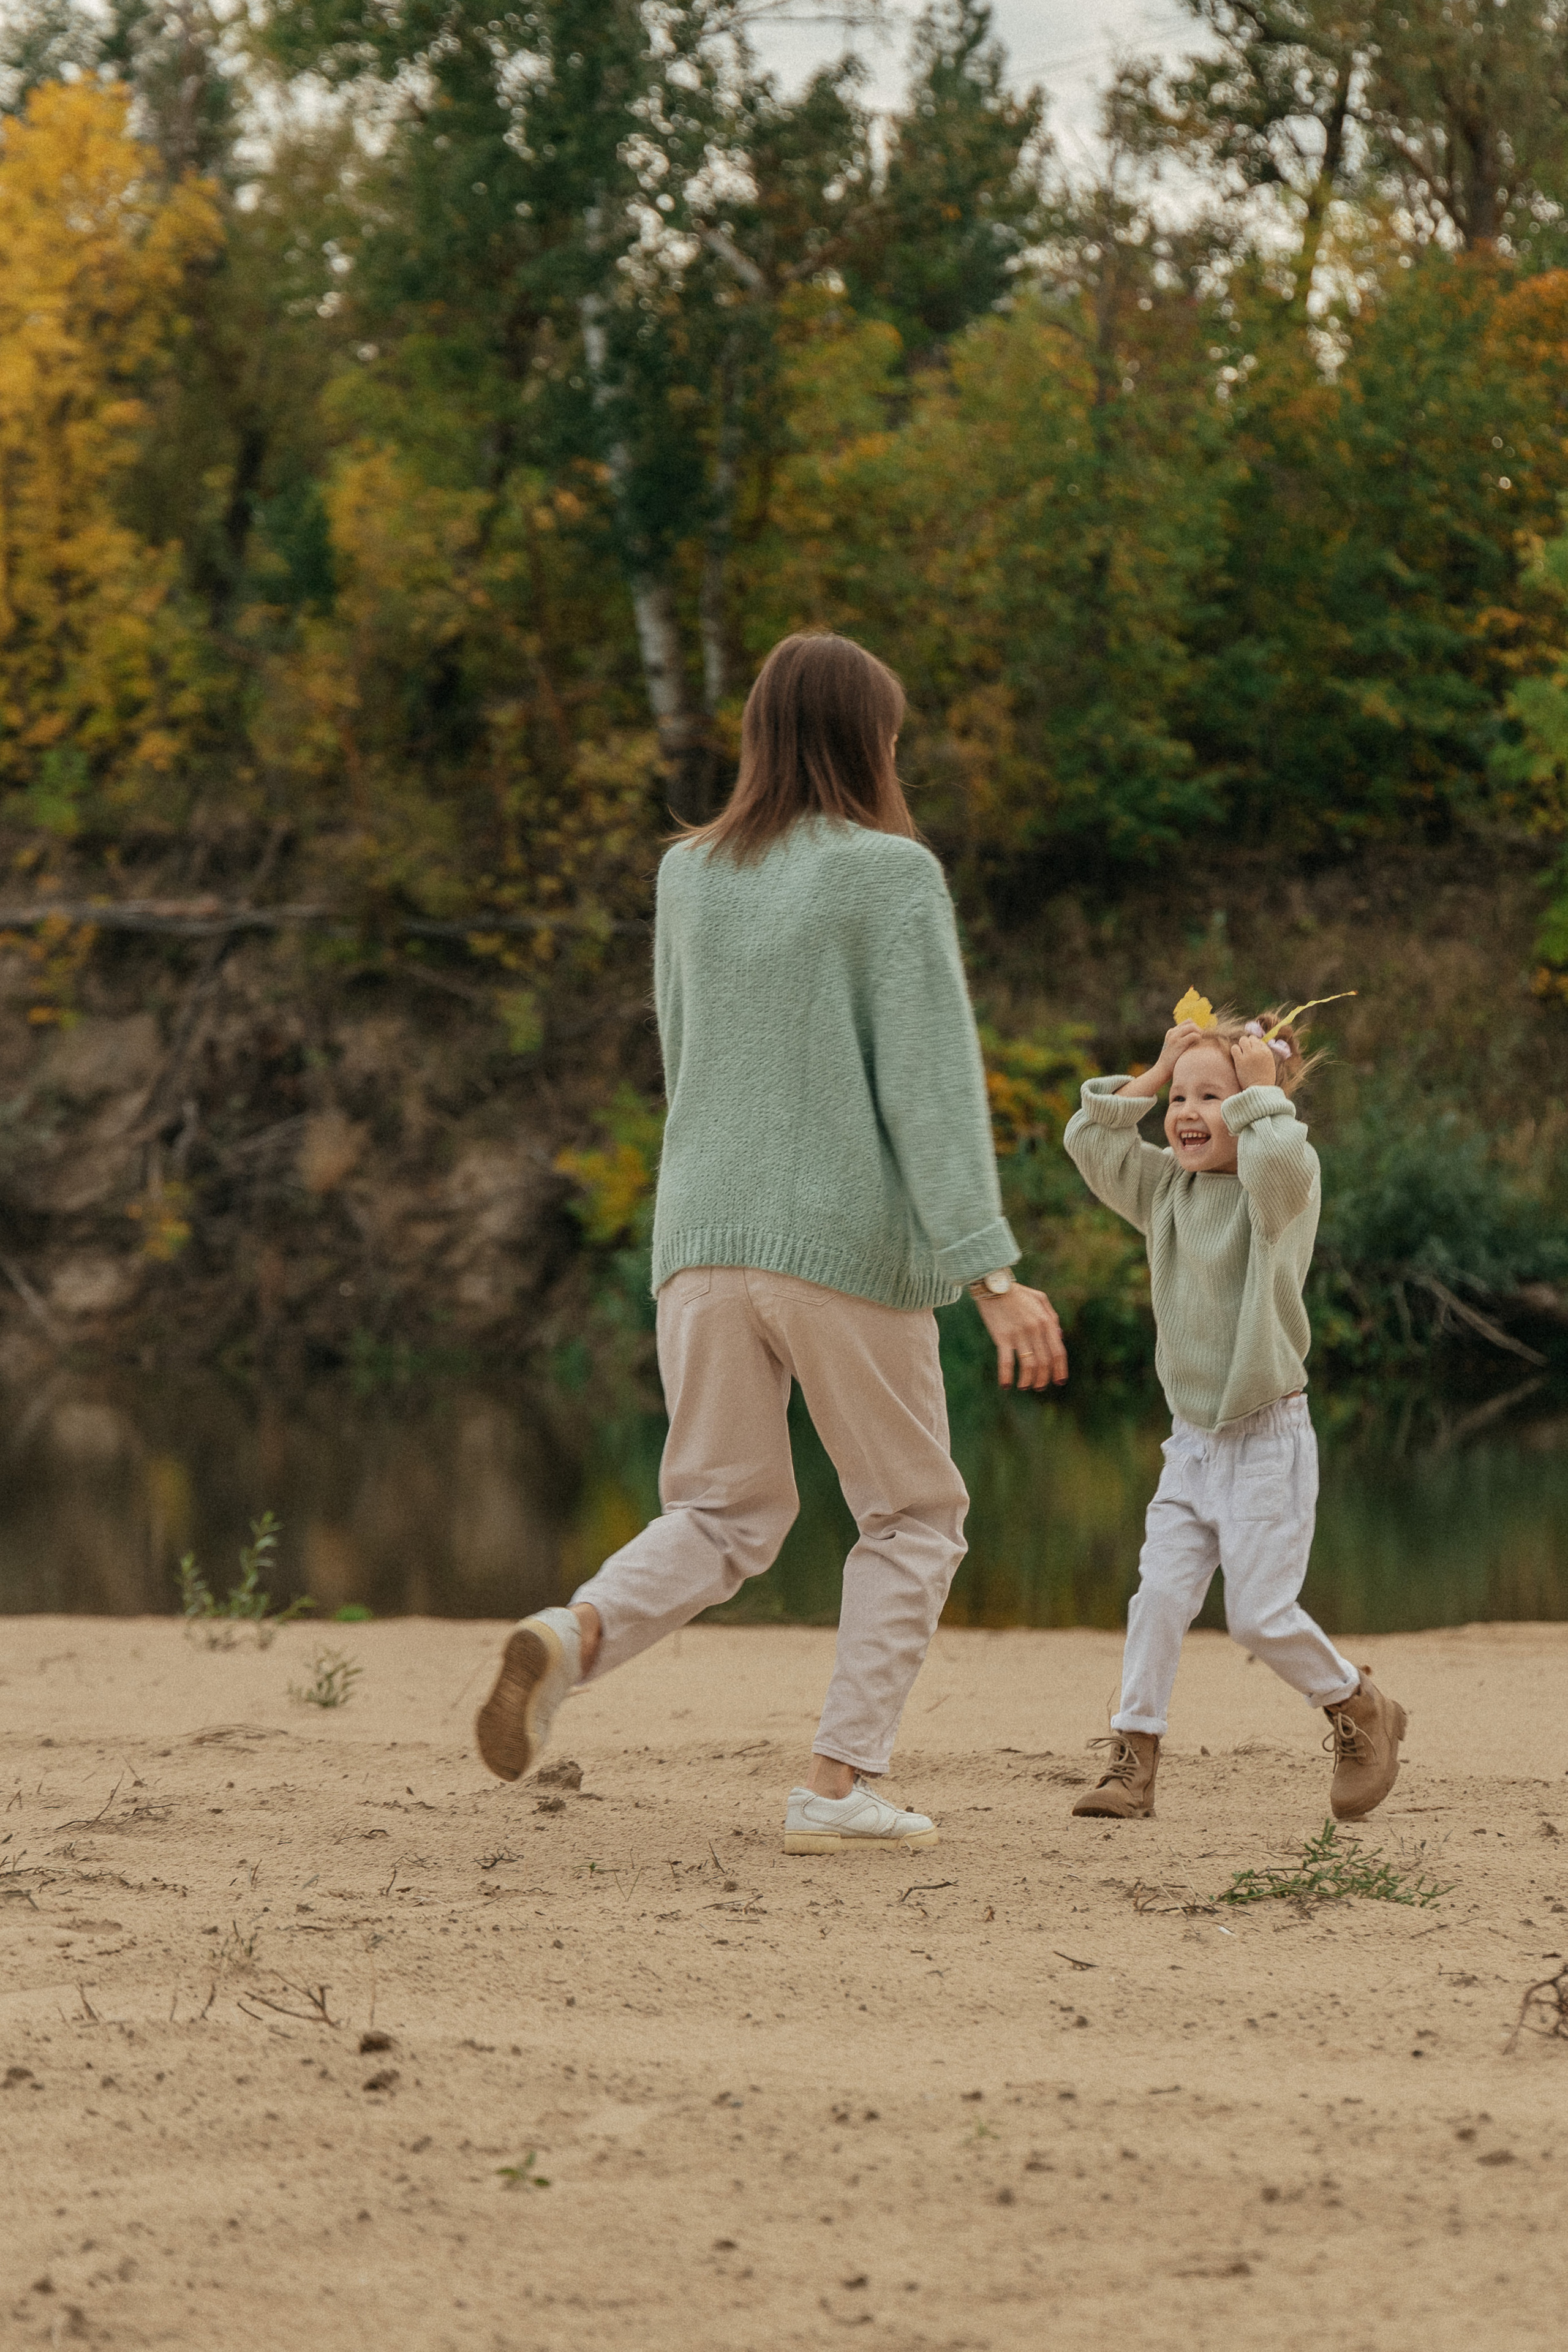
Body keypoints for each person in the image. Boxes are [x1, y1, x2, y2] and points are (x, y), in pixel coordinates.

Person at [475, 630, 1066, 1849]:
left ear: (758, 736)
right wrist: (989, 1269)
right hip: (838, 1241)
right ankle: (838, 1786)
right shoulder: (890, 876)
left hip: (698, 1236)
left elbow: (681, 1055)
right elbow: (930, 1085)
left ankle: (572, 1636)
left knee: (720, 1513)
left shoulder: (685, 873)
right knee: (910, 1517)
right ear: (869, 742)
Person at [1060, 996, 1406, 1823]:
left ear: (1251, 1105)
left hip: (1268, 1439)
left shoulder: (1275, 1190)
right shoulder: (1164, 1194)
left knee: (1257, 1617)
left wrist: (1260, 1092)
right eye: (1179, 1098)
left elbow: (1282, 1161)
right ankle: (1132, 1759)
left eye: (1208, 1097)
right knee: (1158, 1600)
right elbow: (1090, 1141)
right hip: (1192, 1445)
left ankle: (1359, 1705)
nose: (1185, 1113)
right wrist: (1151, 1072)